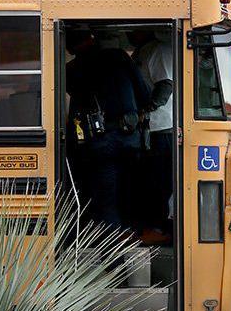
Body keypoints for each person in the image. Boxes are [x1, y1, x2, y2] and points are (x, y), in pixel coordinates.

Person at [66, 29, 151, 230]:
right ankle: (133, 234)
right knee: (131, 191)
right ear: (91, 39)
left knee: (106, 198)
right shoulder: (120, 57)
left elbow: (77, 104)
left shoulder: (71, 69)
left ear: (70, 47)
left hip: (99, 141)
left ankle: (112, 246)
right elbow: (144, 94)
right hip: (130, 138)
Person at [129, 29, 174, 245]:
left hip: (162, 127)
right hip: (151, 129)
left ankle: (158, 228)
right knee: (149, 181)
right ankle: (150, 226)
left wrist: (145, 111)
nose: (130, 33)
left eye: (133, 29)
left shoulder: (157, 50)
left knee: (159, 181)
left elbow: (165, 85)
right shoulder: (142, 51)